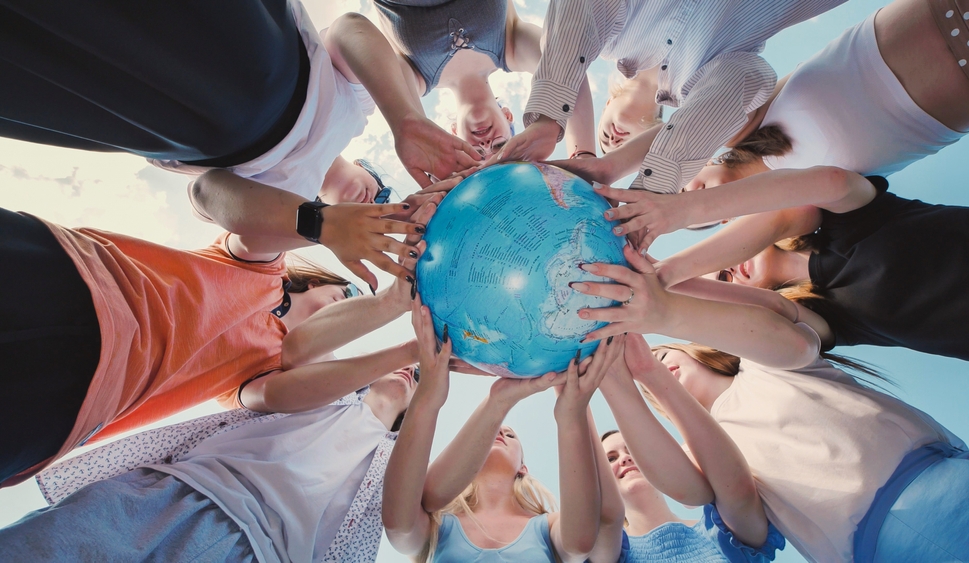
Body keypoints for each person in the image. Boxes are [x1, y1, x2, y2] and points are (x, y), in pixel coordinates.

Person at [0, 0, 476, 286]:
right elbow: (350, 29)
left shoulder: (291, 217)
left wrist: (322, 225)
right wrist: (406, 120)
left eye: (380, 209)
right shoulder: (358, 110)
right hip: (261, 47)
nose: (376, 200)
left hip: (170, 116)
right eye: (380, 190)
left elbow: (208, 194)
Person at [571, 256, 969, 561]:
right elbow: (687, 488)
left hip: (954, 485)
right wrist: (638, 375)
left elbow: (779, 314)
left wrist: (660, 285)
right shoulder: (697, 450)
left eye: (667, 352)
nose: (660, 359)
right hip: (882, 541)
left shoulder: (760, 363)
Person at [0, 199, 435, 488]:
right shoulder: (260, 270)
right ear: (321, 280)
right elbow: (219, 199)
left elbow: (284, 390)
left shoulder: (263, 370)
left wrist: (406, 343)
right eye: (350, 291)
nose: (349, 304)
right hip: (70, 274)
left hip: (74, 399)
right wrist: (324, 223)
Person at [594, 0, 969, 251]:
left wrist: (607, 168)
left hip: (938, 9)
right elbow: (831, 185)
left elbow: (680, 130)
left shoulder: (742, 125)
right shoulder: (791, 207)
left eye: (680, 185)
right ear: (721, 218)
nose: (684, 189)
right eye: (686, 204)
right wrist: (676, 215)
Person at [0, 362, 418, 563]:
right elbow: (265, 393)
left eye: (418, 376)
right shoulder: (327, 389)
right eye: (406, 366)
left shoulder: (396, 463)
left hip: (257, 553)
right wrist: (403, 349)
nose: (407, 372)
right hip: (170, 496)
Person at [635, 167, 969, 371]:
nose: (732, 267)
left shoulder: (850, 223)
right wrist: (662, 282)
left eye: (720, 264)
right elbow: (776, 315)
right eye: (726, 280)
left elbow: (818, 192)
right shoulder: (832, 319)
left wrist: (671, 260)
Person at [492, 0, 847, 195]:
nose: (612, 140)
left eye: (603, 135)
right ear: (657, 127)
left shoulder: (614, 40)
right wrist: (650, 191)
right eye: (620, 145)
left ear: (609, 101)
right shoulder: (700, 89)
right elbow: (751, 78)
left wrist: (547, 119)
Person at [382, 295, 625, 563]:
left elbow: (579, 544)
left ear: (523, 467)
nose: (500, 433)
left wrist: (572, 414)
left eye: (510, 435)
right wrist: (498, 399)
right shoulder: (438, 527)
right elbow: (398, 526)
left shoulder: (547, 527)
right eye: (493, 434)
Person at [361, 0, 595, 160]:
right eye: (499, 145)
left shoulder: (416, 77)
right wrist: (584, 155)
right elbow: (566, 64)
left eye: (476, 152)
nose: (485, 145)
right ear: (507, 115)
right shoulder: (511, 47)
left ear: (453, 133)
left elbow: (367, 53)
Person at [599, 430, 784, 563]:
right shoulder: (606, 551)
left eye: (632, 449)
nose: (625, 458)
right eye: (611, 459)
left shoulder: (721, 530)